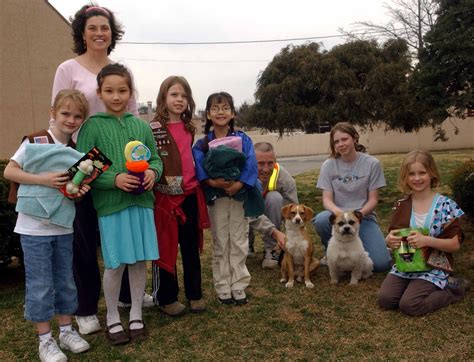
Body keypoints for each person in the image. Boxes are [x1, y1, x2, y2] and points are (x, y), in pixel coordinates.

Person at [51, 4, 148, 335]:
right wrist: (64, 162)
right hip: (83, 164)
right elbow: (60, 114)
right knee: (84, 237)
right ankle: (87, 307)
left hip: (120, 167)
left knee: (118, 235)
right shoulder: (68, 67)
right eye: (92, 27)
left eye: (104, 28)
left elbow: (133, 120)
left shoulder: (120, 70)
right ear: (82, 32)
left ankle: (126, 300)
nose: (98, 33)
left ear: (112, 33)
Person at [76, 63, 162, 345]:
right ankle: (113, 316)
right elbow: (84, 168)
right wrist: (114, 180)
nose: (116, 96)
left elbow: (155, 160)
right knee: (115, 263)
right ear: (99, 93)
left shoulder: (140, 126)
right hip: (112, 206)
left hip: (142, 204)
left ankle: (136, 313)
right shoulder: (93, 126)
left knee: (139, 261)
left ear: (131, 93)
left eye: (122, 90)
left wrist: (152, 172)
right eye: (109, 91)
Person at [4, 90, 91, 361]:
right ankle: (45, 340)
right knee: (40, 284)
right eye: (65, 113)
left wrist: (79, 190)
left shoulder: (77, 154)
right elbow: (10, 171)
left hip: (63, 226)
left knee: (65, 281)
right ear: (53, 112)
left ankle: (66, 330)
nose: (71, 119)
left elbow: (74, 187)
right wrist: (43, 179)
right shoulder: (35, 140)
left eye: (78, 116)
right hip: (33, 228)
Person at [193, 92, 263, 305]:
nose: (220, 112)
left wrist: (240, 183)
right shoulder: (202, 145)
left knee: (239, 240)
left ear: (233, 113)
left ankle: (239, 284)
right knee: (221, 240)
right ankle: (223, 285)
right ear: (208, 114)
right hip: (217, 198)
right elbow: (199, 168)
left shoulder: (244, 139)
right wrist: (212, 183)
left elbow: (251, 164)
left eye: (225, 108)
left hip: (239, 195)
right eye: (215, 108)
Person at [150, 76, 210, 317]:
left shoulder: (189, 127)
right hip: (165, 198)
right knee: (165, 249)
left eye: (184, 96)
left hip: (190, 195)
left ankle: (195, 294)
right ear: (164, 97)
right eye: (174, 94)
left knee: (190, 247)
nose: (179, 100)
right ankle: (166, 297)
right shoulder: (152, 129)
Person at [378, 150, 466, 316]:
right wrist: (388, 241)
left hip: (434, 266)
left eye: (422, 173)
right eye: (411, 174)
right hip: (405, 265)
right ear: (405, 177)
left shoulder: (445, 205)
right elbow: (393, 236)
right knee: (386, 299)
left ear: (431, 173)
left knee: (410, 305)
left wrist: (427, 241)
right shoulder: (401, 205)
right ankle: (412, 285)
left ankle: (453, 290)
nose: (417, 178)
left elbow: (455, 244)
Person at [312, 122, 391, 272]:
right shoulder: (328, 166)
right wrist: (339, 214)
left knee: (381, 264)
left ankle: (380, 248)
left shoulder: (372, 164)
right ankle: (331, 253)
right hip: (338, 217)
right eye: (336, 141)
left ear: (355, 138)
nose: (341, 144)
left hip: (364, 217)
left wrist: (358, 215)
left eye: (344, 139)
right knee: (322, 220)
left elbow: (373, 199)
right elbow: (326, 199)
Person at [249, 142, 298, 269]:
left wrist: (292, 241)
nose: (266, 169)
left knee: (274, 198)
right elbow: (247, 212)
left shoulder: (283, 176)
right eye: (260, 164)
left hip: (273, 210)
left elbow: (294, 209)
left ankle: (272, 250)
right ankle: (247, 245)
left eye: (270, 163)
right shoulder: (244, 176)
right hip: (248, 212)